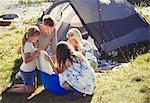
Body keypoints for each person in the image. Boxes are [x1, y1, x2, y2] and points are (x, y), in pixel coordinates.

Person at [7, 26, 41, 93]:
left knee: (33, 87)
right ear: (32, 36)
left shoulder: (29, 43)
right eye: (37, 36)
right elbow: (26, 60)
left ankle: (13, 86)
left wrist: (35, 51)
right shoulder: (27, 45)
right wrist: (36, 54)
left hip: (30, 70)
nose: (38, 38)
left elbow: (28, 53)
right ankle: (9, 91)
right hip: (27, 71)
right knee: (30, 90)